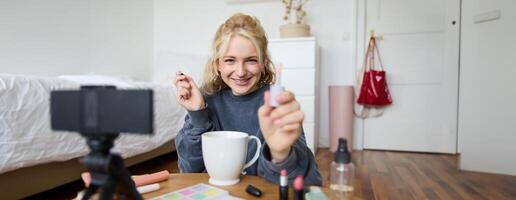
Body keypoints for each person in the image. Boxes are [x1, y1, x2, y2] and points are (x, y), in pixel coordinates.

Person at [174, 13, 322, 185]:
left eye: (251, 60)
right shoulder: (208, 101)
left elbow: (308, 180)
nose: (241, 72)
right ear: (217, 64)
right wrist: (197, 114)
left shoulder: (275, 102)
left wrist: (281, 154)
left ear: (264, 62)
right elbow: (189, 171)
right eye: (230, 60)